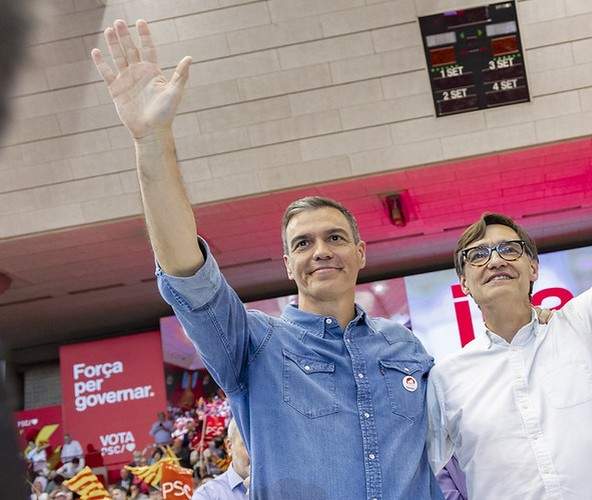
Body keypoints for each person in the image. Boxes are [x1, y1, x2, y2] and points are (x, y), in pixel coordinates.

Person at [91, 19, 442, 499]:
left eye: (334, 238)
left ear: (360, 253)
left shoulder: (406, 349)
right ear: (287, 264)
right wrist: (151, 141)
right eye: (303, 244)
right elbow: (187, 275)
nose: (320, 251)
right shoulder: (251, 345)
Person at [426, 61, 592, 498]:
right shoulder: (446, 380)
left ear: (533, 268)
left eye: (509, 249)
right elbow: (415, 473)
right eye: (477, 255)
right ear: (463, 282)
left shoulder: (589, 327)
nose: (494, 260)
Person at [193, 419, 250, 499]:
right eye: (248, 445)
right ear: (229, 446)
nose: (257, 453)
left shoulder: (273, 489)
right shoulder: (208, 495)